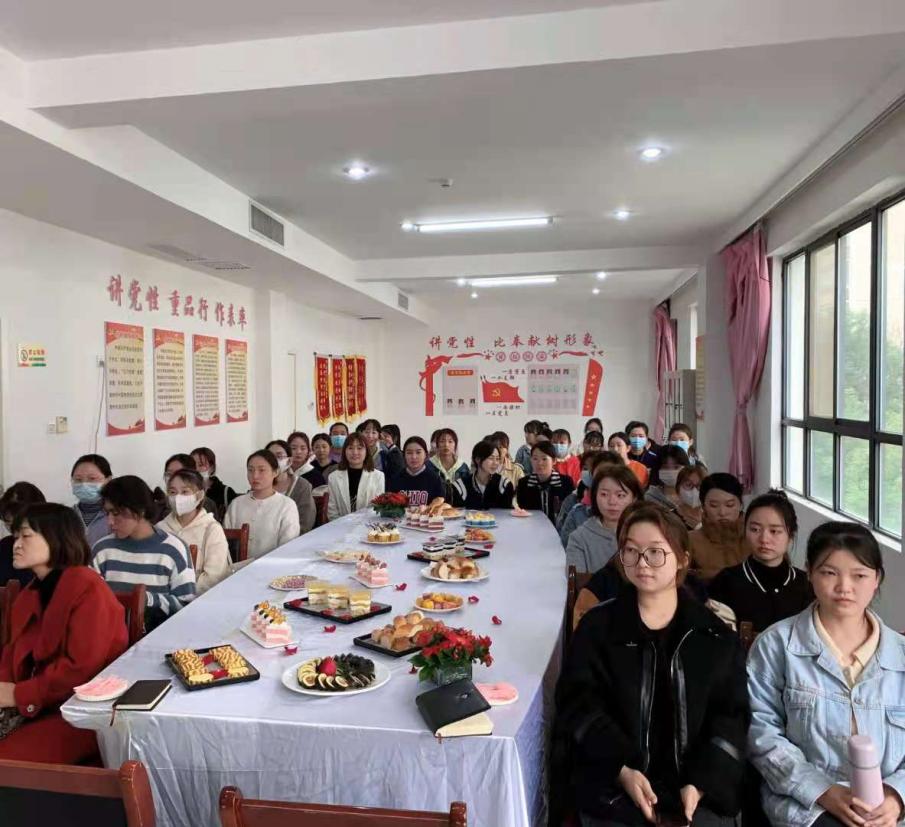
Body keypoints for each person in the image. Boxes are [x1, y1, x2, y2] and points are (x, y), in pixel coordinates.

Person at [556, 503, 749, 827]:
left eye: (656, 552)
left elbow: (731, 717)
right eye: (631, 551)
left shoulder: (714, 635)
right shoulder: (597, 628)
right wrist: (621, 770)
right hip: (613, 787)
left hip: (699, 793)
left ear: (682, 559)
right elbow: (577, 704)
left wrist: (701, 783)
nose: (642, 563)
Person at [748, 522, 905, 827]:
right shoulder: (776, 645)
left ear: (877, 579)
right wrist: (823, 791)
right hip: (806, 807)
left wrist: (895, 796)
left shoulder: (901, 655)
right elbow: (761, 733)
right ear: (809, 572)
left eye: (859, 575)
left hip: (889, 812)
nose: (844, 587)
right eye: (829, 573)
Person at [0, 503, 128, 763]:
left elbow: (81, 669)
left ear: (56, 537)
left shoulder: (88, 588)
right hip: (36, 704)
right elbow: (11, 656)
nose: (17, 544)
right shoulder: (31, 592)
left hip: (79, 710)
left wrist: (17, 694)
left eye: (26, 536)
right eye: (15, 536)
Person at [92, 475, 196, 630]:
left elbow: (186, 605)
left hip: (157, 636)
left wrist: (146, 601)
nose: (110, 521)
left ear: (140, 511)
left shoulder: (173, 549)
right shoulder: (102, 549)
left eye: (116, 513)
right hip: (109, 635)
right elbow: (90, 602)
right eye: (107, 513)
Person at [707, 490, 811, 636]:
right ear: (745, 531)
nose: (764, 539)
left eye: (774, 531)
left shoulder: (806, 584)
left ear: (791, 536)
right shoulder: (725, 582)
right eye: (755, 529)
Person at [157, 469, 231, 595]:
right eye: (172, 492)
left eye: (185, 492)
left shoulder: (211, 529)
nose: (177, 498)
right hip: (163, 599)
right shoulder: (160, 528)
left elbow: (214, 577)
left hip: (199, 599)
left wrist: (182, 592)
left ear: (199, 495)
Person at [567, 464, 643, 576]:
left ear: (634, 498)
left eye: (620, 495)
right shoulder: (579, 538)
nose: (612, 502)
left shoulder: (648, 532)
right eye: (604, 494)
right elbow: (575, 582)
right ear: (594, 496)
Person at [224, 450, 300, 559]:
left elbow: (288, 547)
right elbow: (225, 542)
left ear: (275, 472)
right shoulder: (236, 504)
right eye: (250, 470)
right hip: (237, 567)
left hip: (272, 566)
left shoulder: (287, 505)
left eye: (262, 470)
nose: (255, 476)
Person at [689, 473, 746, 582]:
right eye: (714, 505)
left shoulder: (755, 537)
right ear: (703, 506)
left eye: (729, 505)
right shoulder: (690, 541)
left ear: (741, 505)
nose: (722, 512)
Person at [558, 451, 622, 546]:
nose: (604, 480)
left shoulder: (632, 515)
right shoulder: (577, 514)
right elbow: (567, 547)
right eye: (599, 475)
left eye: (609, 474)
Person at [327, 433, 385, 520]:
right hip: (340, 525)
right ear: (345, 451)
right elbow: (332, 510)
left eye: (359, 448)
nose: (355, 452)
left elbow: (377, 507)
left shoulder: (378, 476)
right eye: (350, 448)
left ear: (366, 451)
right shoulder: (333, 477)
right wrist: (342, 526)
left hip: (368, 525)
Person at [0, 482, 46, 587]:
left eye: (19, 523)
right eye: (8, 523)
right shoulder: (5, 546)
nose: (14, 530)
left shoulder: (57, 547)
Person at [516, 441, 574, 523]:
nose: (540, 463)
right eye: (535, 459)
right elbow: (523, 512)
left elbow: (569, 512)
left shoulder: (566, 482)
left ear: (554, 461)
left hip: (559, 528)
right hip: (532, 526)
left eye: (544, 459)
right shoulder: (523, 484)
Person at [265, 439, 316, 534]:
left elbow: (306, 522)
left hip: (294, 539)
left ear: (289, 461)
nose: (274, 461)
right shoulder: (261, 484)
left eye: (279, 456)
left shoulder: (302, 485)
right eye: (270, 457)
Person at [452, 441, 515, 509]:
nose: (495, 463)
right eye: (491, 458)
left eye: (497, 459)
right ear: (478, 460)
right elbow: (457, 512)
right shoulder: (460, 486)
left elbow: (507, 513)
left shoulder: (504, 485)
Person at [156, 454, 217, 521]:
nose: (173, 477)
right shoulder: (158, 507)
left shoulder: (207, 505)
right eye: (169, 474)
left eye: (179, 473)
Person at [645, 445, 695, 527]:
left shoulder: (695, 497)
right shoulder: (649, 499)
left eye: (676, 467)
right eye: (665, 467)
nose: (671, 471)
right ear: (658, 470)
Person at [70, 453, 114, 548]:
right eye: (78, 479)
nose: (84, 484)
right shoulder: (66, 516)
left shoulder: (116, 516)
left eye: (92, 479)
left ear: (108, 480)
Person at [387, 436, 445, 506]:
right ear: (404, 455)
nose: (414, 457)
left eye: (418, 452)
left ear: (426, 455)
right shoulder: (396, 479)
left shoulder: (435, 479)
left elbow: (440, 505)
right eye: (409, 453)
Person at [191, 447, 238, 516]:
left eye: (200, 465)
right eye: (192, 466)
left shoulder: (226, 493)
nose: (196, 469)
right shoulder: (185, 493)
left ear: (212, 467)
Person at [674, 465, 706, 531]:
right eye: (688, 485)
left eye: (699, 486)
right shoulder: (669, 518)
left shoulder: (713, 517)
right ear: (678, 490)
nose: (695, 491)